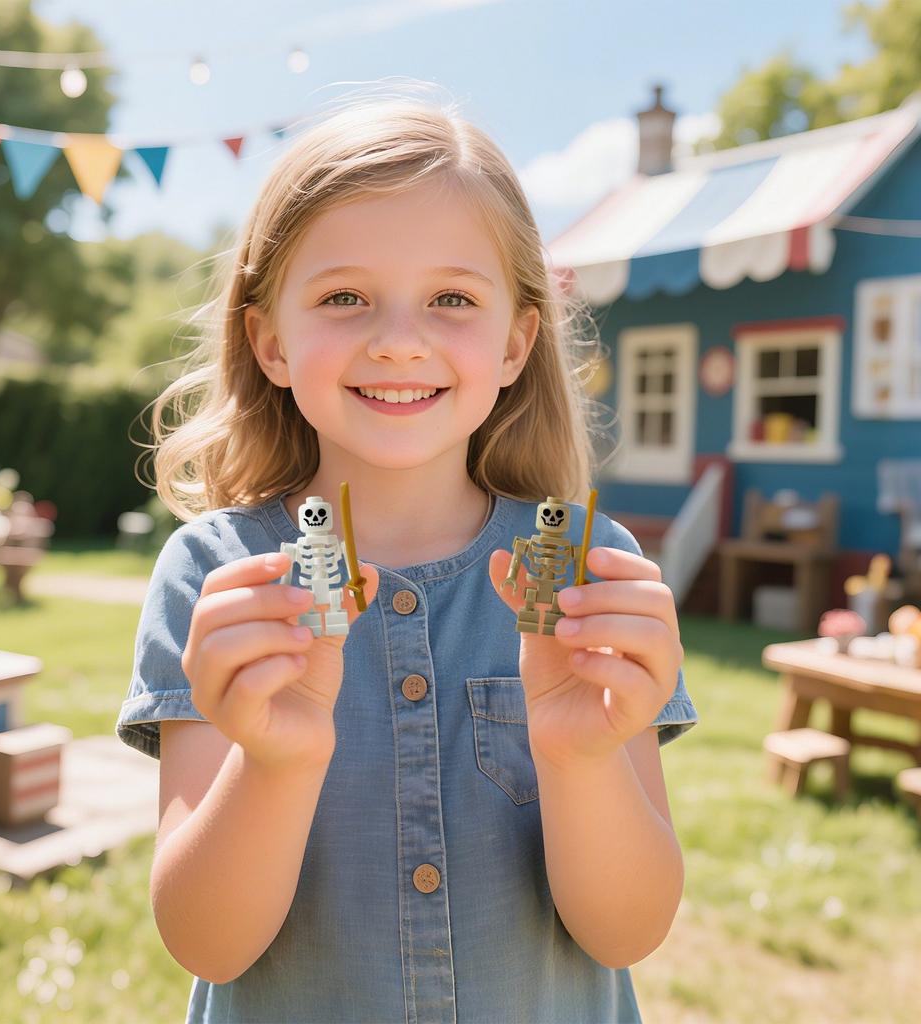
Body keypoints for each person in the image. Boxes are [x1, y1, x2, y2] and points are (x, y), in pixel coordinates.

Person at [115, 89, 699, 1024]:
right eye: (344, 298)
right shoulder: (216, 577)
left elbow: (627, 933)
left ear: (515, 344)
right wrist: (275, 762)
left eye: (451, 299)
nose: (397, 342)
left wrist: (581, 756)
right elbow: (206, 944)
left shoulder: (584, 573)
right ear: (270, 341)